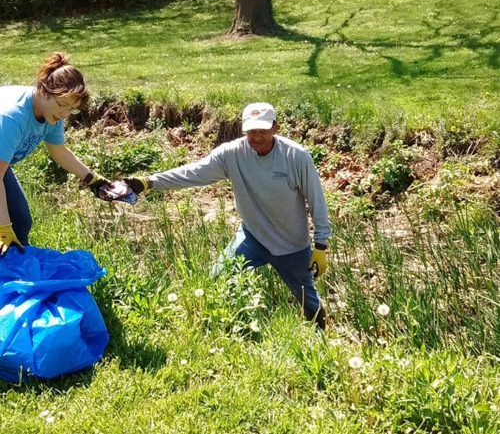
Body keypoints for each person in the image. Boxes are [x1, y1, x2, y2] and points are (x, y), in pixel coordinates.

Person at [124, 102, 332, 328]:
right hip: (253, 237)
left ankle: (322, 338)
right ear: (244, 129)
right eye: (252, 131)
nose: (257, 137)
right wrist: (148, 183)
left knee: (309, 302)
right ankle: (216, 329)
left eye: (263, 130)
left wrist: (321, 245)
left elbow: (316, 200)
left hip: (291, 245)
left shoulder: (296, 157)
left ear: (275, 128)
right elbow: (193, 173)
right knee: (214, 280)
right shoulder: (232, 154)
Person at [0, 51, 110, 257]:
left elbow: (59, 152)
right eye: (62, 105)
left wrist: (93, 179)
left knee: (20, 221)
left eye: (72, 109)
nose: (65, 114)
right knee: (5, 227)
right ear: (43, 91)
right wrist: (3, 228)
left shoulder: (52, 115)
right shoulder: (12, 117)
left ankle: (14, 282)